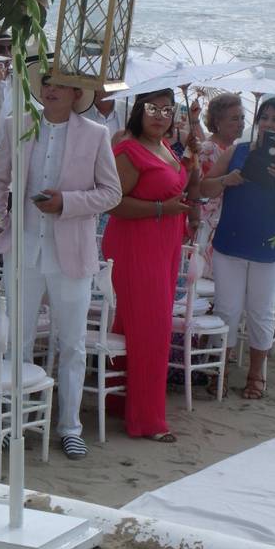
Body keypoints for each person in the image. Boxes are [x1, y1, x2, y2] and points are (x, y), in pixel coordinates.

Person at [0, 59, 122, 460]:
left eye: (61, 85)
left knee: (72, 344)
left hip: (72, 252)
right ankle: (13, 420)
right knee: (18, 339)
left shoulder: (96, 135)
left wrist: (68, 203)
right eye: (47, 82)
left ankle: (69, 425)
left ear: (76, 94)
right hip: (24, 248)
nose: (51, 89)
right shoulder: (17, 124)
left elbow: (110, 193)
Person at [101, 89, 199, 441]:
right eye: (152, 108)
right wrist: (161, 210)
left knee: (133, 324)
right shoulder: (128, 151)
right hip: (135, 245)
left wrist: (189, 165)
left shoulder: (168, 150)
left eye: (167, 110)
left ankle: (116, 401)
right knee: (152, 329)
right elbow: (112, 203)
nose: (159, 115)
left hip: (165, 243)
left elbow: (177, 189)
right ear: (138, 111)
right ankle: (146, 420)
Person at [200, 98, 275, 399]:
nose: (269, 124)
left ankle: (256, 373)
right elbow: (204, 188)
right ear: (257, 121)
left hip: (269, 248)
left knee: (260, 311)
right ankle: (218, 368)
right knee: (227, 309)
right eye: (265, 118)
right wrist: (226, 180)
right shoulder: (237, 152)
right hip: (230, 243)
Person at [198, 93, 246, 277]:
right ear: (218, 122)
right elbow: (199, 188)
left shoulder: (239, 150)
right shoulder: (208, 149)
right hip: (210, 221)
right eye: (234, 118)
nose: (241, 123)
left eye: (242, 118)